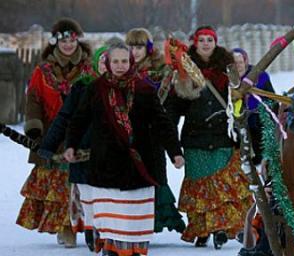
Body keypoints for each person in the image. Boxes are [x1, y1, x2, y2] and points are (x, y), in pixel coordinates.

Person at [63, 42, 184, 256]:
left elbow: (162, 122)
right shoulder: (96, 89)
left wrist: (174, 152)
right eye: (115, 61)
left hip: (138, 164)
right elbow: (79, 119)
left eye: (124, 61)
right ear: (109, 63)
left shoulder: (144, 89)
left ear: (131, 62)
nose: (120, 65)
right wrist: (71, 145)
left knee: (134, 217)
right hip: (105, 163)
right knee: (110, 217)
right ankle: (110, 249)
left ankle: (134, 250)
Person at [164, 25, 253, 248]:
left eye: (209, 40)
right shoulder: (183, 71)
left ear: (216, 43)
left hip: (224, 137)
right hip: (196, 139)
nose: (205, 43)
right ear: (195, 43)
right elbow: (172, 111)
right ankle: (202, 229)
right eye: (201, 40)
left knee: (223, 186)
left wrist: (244, 138)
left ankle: (220, 229)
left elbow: (239, 104)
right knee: (200, 187)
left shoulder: (227, 69)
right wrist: (172, 148)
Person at [17, 17, 92, 248]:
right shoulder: (43, 70)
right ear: (55, 43)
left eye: (72, 40)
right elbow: (34, 99)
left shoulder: (90, 68)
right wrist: (34, 126)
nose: (68, 45)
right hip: (53, 134)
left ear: (78, 40)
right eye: (63, 41)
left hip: (83, 134)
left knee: (84, 186)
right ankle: (65, 227)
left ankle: (88, 226)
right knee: (59, 186)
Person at [37, 39, 116, 252]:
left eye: (111, 62)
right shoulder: (81, 87)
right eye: (103, 61)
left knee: (108, 195)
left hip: (112, 154)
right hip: (83, 152)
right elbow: (64, 117)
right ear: (97, 64)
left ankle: (106, 231)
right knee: (87, 195)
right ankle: (91, 228)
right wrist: (49, 144)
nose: (106, 66)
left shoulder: (124, 88)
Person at [125, 27, 186, 234]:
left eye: (139, 46)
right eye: (132, 47)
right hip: (129, 135)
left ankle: (156, 220)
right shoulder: (123, 70)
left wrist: (173, 147)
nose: (135, 51)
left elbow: (169, 108)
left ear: (148, 48)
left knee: (156, 177)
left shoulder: (161, 73)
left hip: (154, 134)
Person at [232, 48, 276, 164]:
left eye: (240, 63)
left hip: (258, 122)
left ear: (246, 62)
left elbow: (272, 99)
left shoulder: (259, 76)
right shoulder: (228, 79)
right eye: (234, 64)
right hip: (235, 125)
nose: (238, 66)